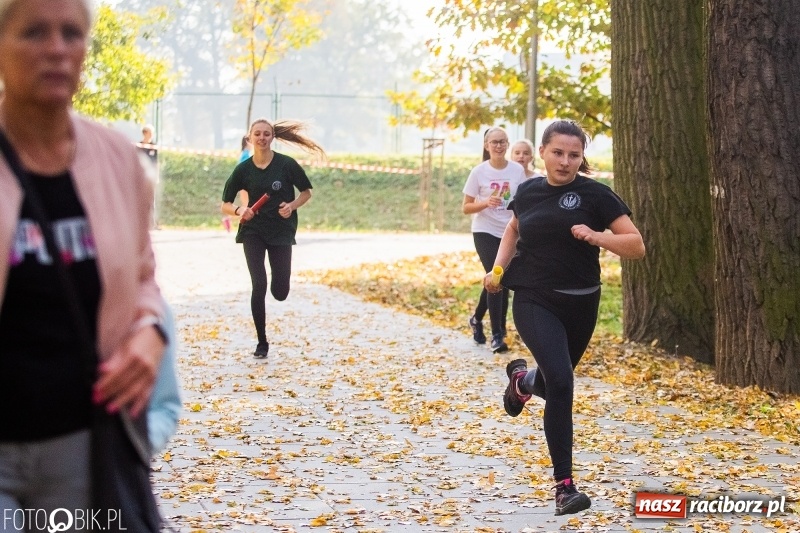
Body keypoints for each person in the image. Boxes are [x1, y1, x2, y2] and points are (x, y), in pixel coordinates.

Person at [0, 0, 167, 522]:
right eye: (34, 32)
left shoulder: (117, 160)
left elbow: (143, 278)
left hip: (82, 445)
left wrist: (151, 331)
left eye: (71, 33)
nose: (56, 49)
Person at [487, 120, 645, 515]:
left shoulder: (596, 195)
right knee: (561, 381)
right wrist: (498, 269)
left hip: (581, 303)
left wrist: (598, 237)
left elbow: (636, 245)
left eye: (574, 155)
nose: (565, 161)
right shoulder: (528, 191)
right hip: (533, 298)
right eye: (558, 152)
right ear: (542, 152)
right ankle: (565, 488)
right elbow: (513, 229)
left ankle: (522, 381)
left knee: (552, 381)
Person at [221, 118, 323, 359]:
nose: (262, 138)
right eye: (257, 134)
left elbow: (306, 192)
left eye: (266, 134)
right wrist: (240, 210)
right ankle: (262, 342)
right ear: (250, 137)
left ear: (272, 137)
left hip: (281, 231)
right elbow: (225, 204)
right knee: (259, 284)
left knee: (280, 292)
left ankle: (279, 290)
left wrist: (292, 206)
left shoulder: (286, 165)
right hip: (253, 231)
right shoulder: (243, 169)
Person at [462, 127, 526, 353]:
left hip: (509, 231)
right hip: (485, 231)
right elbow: (466, 207)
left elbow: (523, 198)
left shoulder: (517, 170)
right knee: (497, 276)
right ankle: (497, 335)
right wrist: (485, 203)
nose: (499, 146)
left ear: (507, 144)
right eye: (494, 142)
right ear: (486, 145)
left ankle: (476, 318)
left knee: (499, 279)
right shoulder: (479, 172)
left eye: (502, 142)